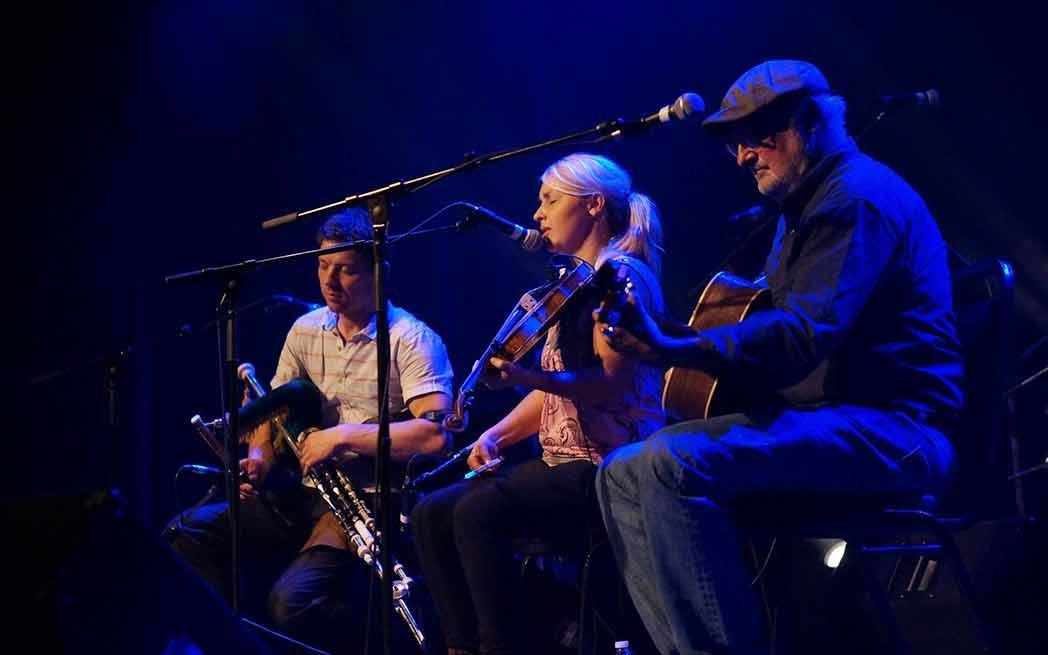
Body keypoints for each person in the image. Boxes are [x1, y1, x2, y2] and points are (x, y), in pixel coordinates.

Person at [595, 60, 966, 655]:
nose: (743, 156)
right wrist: (667, 337)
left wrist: (676, 346)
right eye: (735, 145)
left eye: (756, 138)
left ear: (810, 124)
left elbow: (801, 336)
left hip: (896, 430)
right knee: (620, 471)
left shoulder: (855, 199)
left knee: (670, 462)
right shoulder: (802, 209)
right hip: (829, 421)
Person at [410, 153, 666, 655]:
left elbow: (612, 386)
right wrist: (497, 434)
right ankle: (461, 647)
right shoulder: (572, 285)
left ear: (593, 205)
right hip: (561, 463)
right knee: (430, 513)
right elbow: (554, 391)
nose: (537, 214)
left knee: (476, 512)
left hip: (611, 466)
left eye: (550, 200)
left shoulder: (620, 277)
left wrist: (526, 375)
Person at [166, 208, 454, 652]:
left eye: (346, 270)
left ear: (379, 272)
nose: (330, 281)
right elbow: (272, 411)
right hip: (300, 494)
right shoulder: (305, 329)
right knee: (185, 532)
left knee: (292, 604)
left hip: (366, 502)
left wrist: (339, 436)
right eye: (323, 266)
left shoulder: (410, 338)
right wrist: (259, 458)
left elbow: (434, 437)